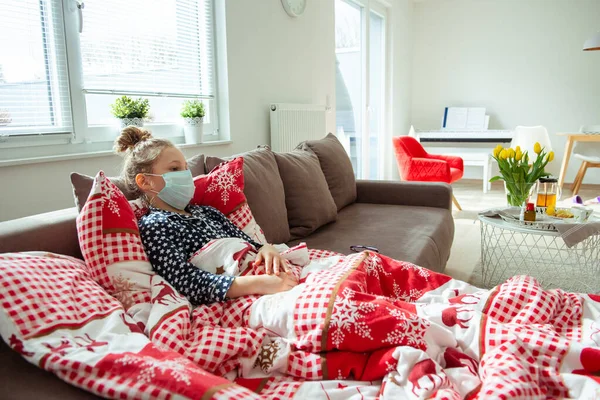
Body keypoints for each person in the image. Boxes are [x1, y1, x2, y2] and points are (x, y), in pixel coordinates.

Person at [114, 127, 298, 306]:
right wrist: (259, 283)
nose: (186, 175)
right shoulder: (155, 226)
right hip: (243, 293)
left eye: (186, 168)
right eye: (175, 169)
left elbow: (248, 242)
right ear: (145, 181)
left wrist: (267, 248)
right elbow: (185, 281)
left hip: (268, 273)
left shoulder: (207, 212)